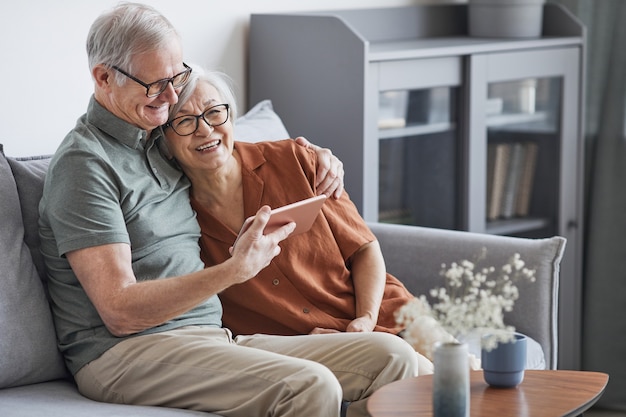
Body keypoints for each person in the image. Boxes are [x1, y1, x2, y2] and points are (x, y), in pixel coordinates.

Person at [38, 3, 419, 417]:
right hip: (124, 353)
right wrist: (232, 271)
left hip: (209, 337)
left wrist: (316, 158)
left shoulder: (156, 142)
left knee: (390, 355)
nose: (170, 97)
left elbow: (222, 150)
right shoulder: (85, 165)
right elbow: (119, 311)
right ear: (103, 77)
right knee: (309, 385)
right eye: (155, 84)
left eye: (176, 77)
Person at [161, 65, 437, 374]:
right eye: (185, 121)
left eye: (214, 112)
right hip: (309, 348)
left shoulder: (296, 159)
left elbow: (364, 249)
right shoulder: (172, 222)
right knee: (424, 381)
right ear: (164, 140)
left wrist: (365, 321)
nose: (205, 130)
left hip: (384, 312)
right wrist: (315, 340)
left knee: (463, 371)